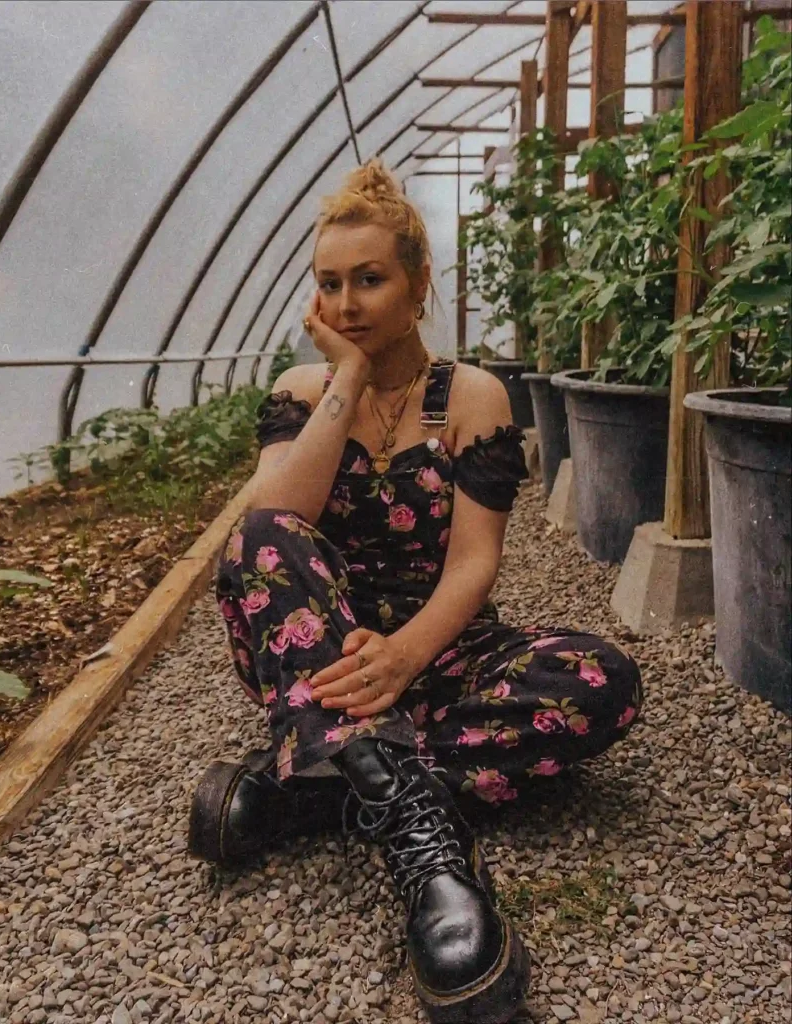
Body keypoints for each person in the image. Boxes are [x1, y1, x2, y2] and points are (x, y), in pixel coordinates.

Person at [188, 161, 643, 1023]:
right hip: (323, 653)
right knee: (257, 539)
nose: (348, 300)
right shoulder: (301, 393)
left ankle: (321, 781)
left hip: (436, 648)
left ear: (417, 281)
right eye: (330, 282)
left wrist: (404, 655)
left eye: (370, 278)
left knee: (601, 679)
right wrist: (348, 379)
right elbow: (278, 523)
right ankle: (426, 849)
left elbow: (474, 563)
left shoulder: (471, 396)